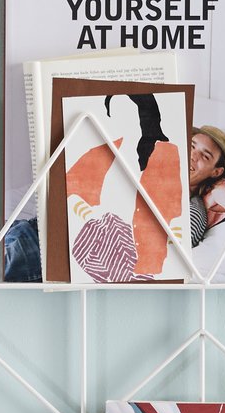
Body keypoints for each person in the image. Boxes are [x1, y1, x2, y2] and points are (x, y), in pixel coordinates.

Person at [65, 91, 184, 278]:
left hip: (145, 253)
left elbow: (175, 207)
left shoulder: (167, 154)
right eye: (114, 115)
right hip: (99, 243)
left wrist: (175, 231)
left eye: (126, 114)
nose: (119, 122)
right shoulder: (103, 151)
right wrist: (79, 205)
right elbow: (67, 185)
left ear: (144, 115)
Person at [186, 124, 225, 247]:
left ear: (215, 172)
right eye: (191, 146)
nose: (192, 156)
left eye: (205, 156)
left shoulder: (192, 213)